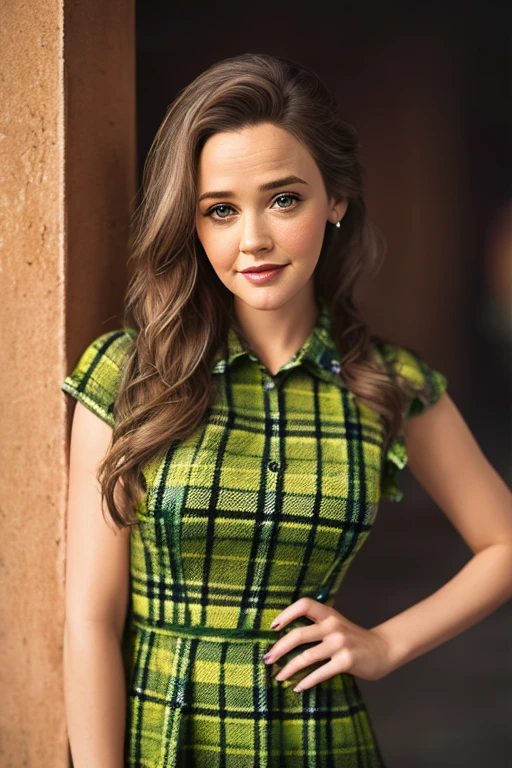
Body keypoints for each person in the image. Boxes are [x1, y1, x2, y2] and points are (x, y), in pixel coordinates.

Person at [61, 53, 512, 768]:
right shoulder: (127, 374)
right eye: (220, 210)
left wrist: (386, 644)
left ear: (335, 199)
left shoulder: (388, 383)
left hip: (321, 741)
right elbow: (90, 617)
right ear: (193, 220)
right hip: (161, 738)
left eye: (283, 199)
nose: (253, 241)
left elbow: (505, 544)